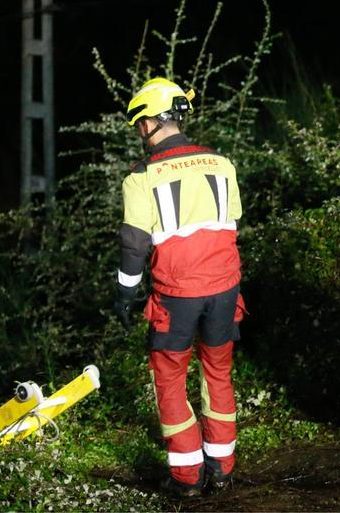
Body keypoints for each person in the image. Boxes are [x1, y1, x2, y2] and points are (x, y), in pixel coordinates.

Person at [113, 77, 245, 498]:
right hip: (226, 290)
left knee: (170, 380)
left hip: (176, 296)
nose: (139, 131)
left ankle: (187, 478)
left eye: (139, 123)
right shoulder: (222, 164)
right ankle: (221, 468)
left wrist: (124, 293)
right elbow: (232, 224)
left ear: (151, 121)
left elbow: (134, 245)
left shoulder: (141, 177)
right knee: (218, 373)